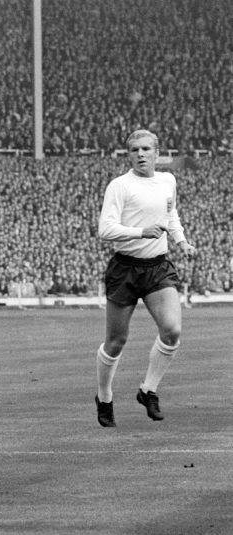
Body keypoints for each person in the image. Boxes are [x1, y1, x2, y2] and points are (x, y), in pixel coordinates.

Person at [94, 130, 196, 427]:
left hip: (157, 266)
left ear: (156, 151)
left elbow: (171, 214)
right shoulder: (120, 186)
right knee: (116, 341)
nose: (140, 154)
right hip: (125, 269)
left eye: (146, 149)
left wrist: (181, 242)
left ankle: (148, 390)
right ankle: (104, 397)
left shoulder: (168, 181)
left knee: (172, 330)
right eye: (134, 149)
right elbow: (105, 229)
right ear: (128, 155)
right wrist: (140, 231)